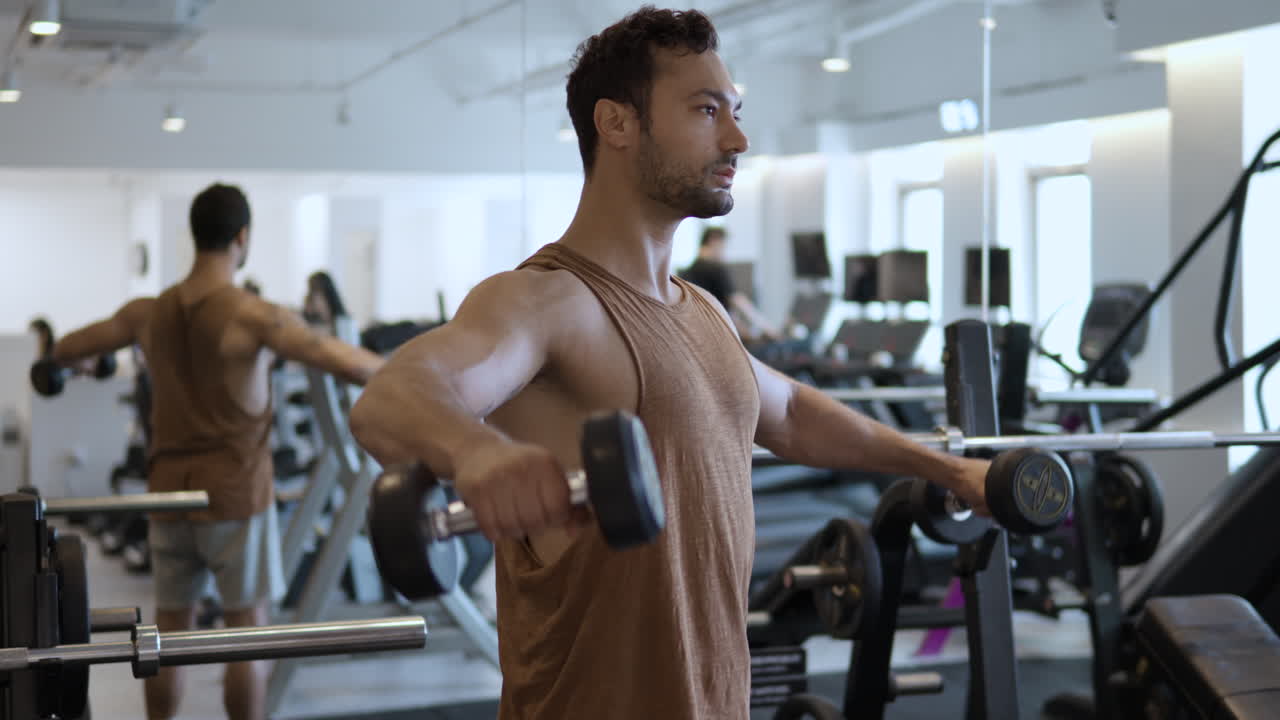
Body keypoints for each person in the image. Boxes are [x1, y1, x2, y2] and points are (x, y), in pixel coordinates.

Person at [349, 7, 990, 719]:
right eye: (706, 110)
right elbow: (391, 397)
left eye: (735, 111)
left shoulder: (704, 311)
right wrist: (477, 453)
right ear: (617, 124)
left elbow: (793, 414)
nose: (738, 138)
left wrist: (950, 470)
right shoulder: (547, 301)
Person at [49, 182, 385, 720]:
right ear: (242, 238)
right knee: (246, 636)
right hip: (232, 494)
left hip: (166, 495)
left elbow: (67, 348)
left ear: (196, 235)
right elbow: (340, 359)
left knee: (168, 636)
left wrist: (73, 362)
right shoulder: (253, 315)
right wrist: (416, 375)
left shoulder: (147, 313)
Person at [680, 226, 779, 339]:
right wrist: (767, 327)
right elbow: (737, 301)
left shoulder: (687, 272)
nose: (724, 252)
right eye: (724, 246)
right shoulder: (715, 268)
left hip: (697, 336)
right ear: (714, 241)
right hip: (719, 336)